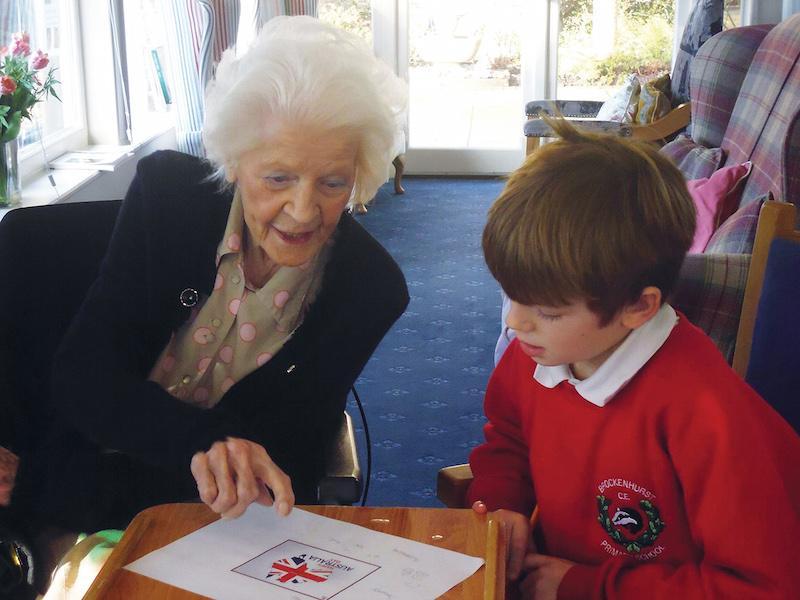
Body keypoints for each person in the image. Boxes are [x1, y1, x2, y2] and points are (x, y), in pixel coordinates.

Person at [2, 15, 408, 595]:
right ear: (235, 162)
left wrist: (212, 459)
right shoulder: (168, 198)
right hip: (70, 478)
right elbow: (83, 378)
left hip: (211, 525)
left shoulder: (369, 289)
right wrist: (204, 442)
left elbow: (285, 457)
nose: (302, 210)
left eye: (333, 183)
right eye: (277, 177)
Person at [468, 119, 800, 599]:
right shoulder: (543, 351)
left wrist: (582, 586)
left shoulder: (707, 413)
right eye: (510, 296)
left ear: (638, 307)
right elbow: (509, 437)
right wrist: (503, 505)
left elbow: (763, 589)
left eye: (547, 311)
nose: (516, 323)